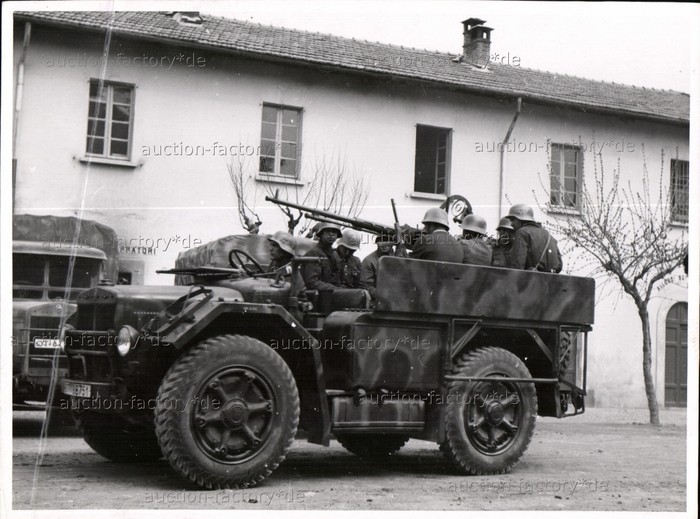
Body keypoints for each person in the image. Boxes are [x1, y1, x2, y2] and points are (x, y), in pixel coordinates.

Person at [505, 204, 563, 273]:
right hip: (551, 281)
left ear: (522, 218)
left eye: (513, 220)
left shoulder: (522, 232)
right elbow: (559, 266)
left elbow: (517, 264)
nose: (511, 224)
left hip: (530, 281)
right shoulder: (549, 235)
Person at [301, 222, 342, 290]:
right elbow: (312, 282)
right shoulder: (313, 253)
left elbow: (336, 280)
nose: (331, 234)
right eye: (328, 231)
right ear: (321, 234)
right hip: (313, 296)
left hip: (329, 295)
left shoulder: (335, 255)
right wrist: (336, 289)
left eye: (334, 232)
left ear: (337, 235)